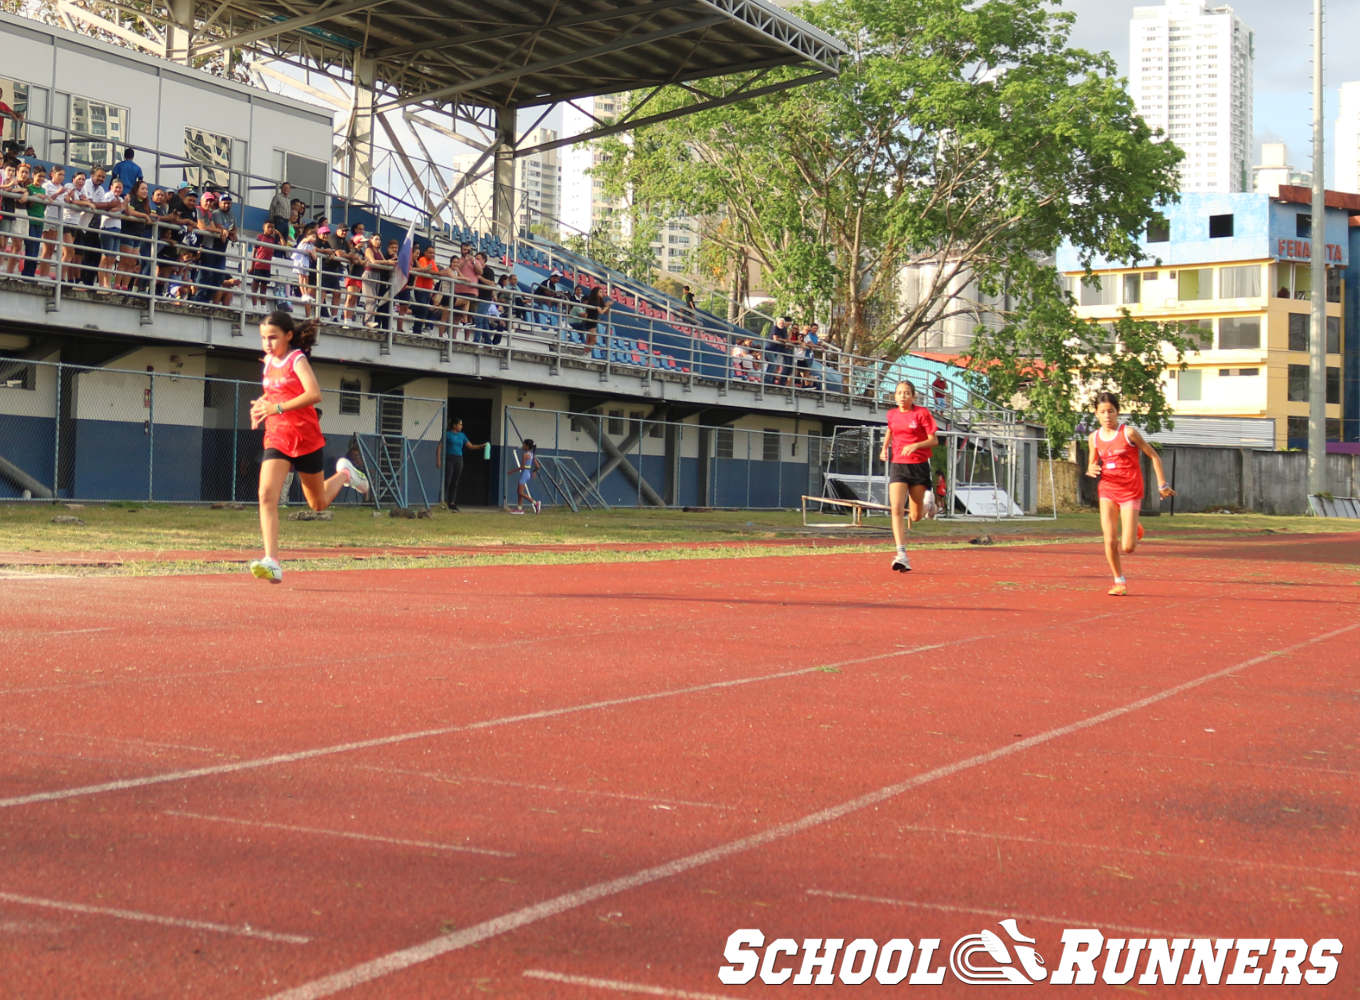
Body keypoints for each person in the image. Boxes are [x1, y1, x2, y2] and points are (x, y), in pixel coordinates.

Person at [246, 310, 370, 583]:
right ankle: (272, 561)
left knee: (318, 504)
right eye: (263, 338)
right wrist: (261, 406)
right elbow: (273, 392)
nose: (267, 343)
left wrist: (276, 406)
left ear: (288, 336)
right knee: (266, 494)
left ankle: (345, 475)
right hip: (277, 437)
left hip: (305, 438)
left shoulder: (296, 359)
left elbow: (314, 394)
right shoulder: (267, 362)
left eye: (273, 337)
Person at [1085, 390, 1174, 597]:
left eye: (1111, 411)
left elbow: (1153, 456)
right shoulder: (1094, 438)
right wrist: (1091, 469)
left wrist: (1162, 484)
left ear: (1117, 412)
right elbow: (1092, 463)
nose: (1107, 416)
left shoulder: (1129, 433)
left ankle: (1134, 529)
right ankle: (1119, 581)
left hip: (1130, 491)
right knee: (1109, 540)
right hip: (1107, 489)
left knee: (1128, 547)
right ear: (1096, 414)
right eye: (1102, 412)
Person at [879, 379, 938, 573]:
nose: (902, 396)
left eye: (906, 393)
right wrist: (884, 447)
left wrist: (916, 445)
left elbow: (933, 440)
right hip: (898, 465)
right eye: (899, 393)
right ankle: (901, 554)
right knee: (896, 508)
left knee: (915, 516)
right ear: (894, 396)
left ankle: (929, 504)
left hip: (918, 466)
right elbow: (890, 429)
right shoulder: (892, 414)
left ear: (913, 396)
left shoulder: (922, 413)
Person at [438, 417, 485, 511]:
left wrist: (481, 446)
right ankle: (442, 501)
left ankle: (452, 502)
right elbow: (439, 447)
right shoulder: (447, 434)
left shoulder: (462, 435)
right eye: (460, 424)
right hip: (449, 458)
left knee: (455, 481)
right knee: (447, 480)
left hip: (459, 459)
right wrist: (438, 460)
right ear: (454, 425)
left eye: (461, 424)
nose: (461, 426)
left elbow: (470, 446)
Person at [507, 438, 541, 514]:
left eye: (523, 444)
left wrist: (511, 471)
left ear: (527, 446)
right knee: (519, 492)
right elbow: (538, 466)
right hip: (527, 473)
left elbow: (522, 467)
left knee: (520, 492)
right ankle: (519, 509)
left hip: (525, 474)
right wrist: (534, 472)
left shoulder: (525, 454)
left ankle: (535, 503)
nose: (522, 446)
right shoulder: (532, 454)